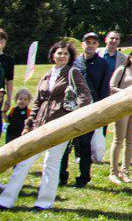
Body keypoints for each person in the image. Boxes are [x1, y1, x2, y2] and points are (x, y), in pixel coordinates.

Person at [0, 40, 92, 211]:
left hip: (60, 125)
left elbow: (84, 95)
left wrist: (77, 117)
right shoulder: (47, 74)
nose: (62, 56)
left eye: (66, 53)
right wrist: (29, 123)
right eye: (59, 53)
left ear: (70, 56)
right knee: (23, 162)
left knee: (51, 163)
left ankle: (44, 203)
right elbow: (37, 102)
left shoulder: (73, 73)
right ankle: (6, 200)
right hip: (39, 125)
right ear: (53, 55)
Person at [60, 32, 110, 188]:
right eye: (88, 42)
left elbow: (104, 89)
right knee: (65, 144)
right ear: (82, 44)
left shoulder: (103, 64)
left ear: (97, 46)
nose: (90, 45)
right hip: (71, 107)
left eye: (94, 43)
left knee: (84, 144)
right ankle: (62, 176)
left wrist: (100, 110)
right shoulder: (74, 62)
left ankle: (83, 177)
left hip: (91, 108)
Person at [109, 47, 132, 184]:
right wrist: (127, 93)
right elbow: (111, 87)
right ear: (130, 57)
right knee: (119, 140)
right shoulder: (122, 70)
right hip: (122, 108)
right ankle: (113, 171)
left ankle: (125, 170)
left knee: (131, 141)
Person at [0, 28, 14, 112]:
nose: (0, 40)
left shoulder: (9, 60)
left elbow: (10, 80)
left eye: (2, 38)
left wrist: (8, 99)